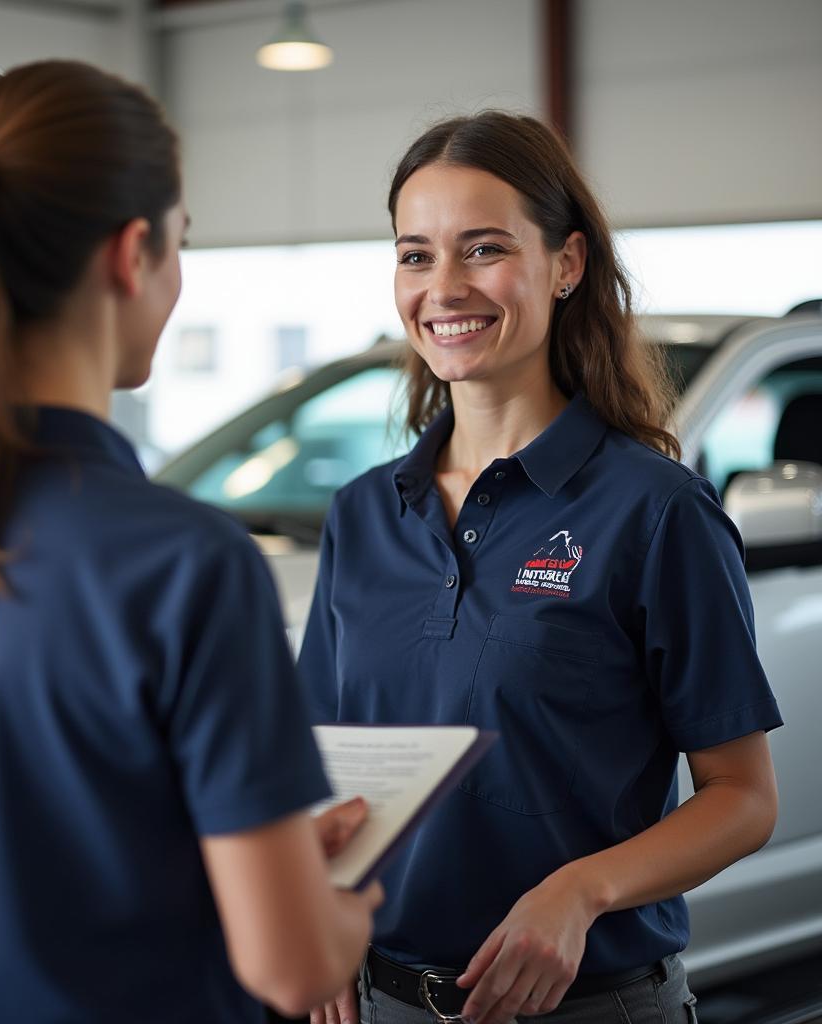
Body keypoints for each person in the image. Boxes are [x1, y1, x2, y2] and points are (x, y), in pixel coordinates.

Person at [0, 61, 382, 1024]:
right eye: (183, 242)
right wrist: (340, 906)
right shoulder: (188, 565)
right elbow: (290, 968)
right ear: (133, 253)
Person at [299, 111, 782, 1024]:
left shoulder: (654, 511)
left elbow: (744, 799)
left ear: (566, 265)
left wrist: (582, 891)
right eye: (415, 254)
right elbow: (324, 772)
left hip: (592, 1006)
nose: (443, 287)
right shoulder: (364, 513)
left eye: (482, 250)